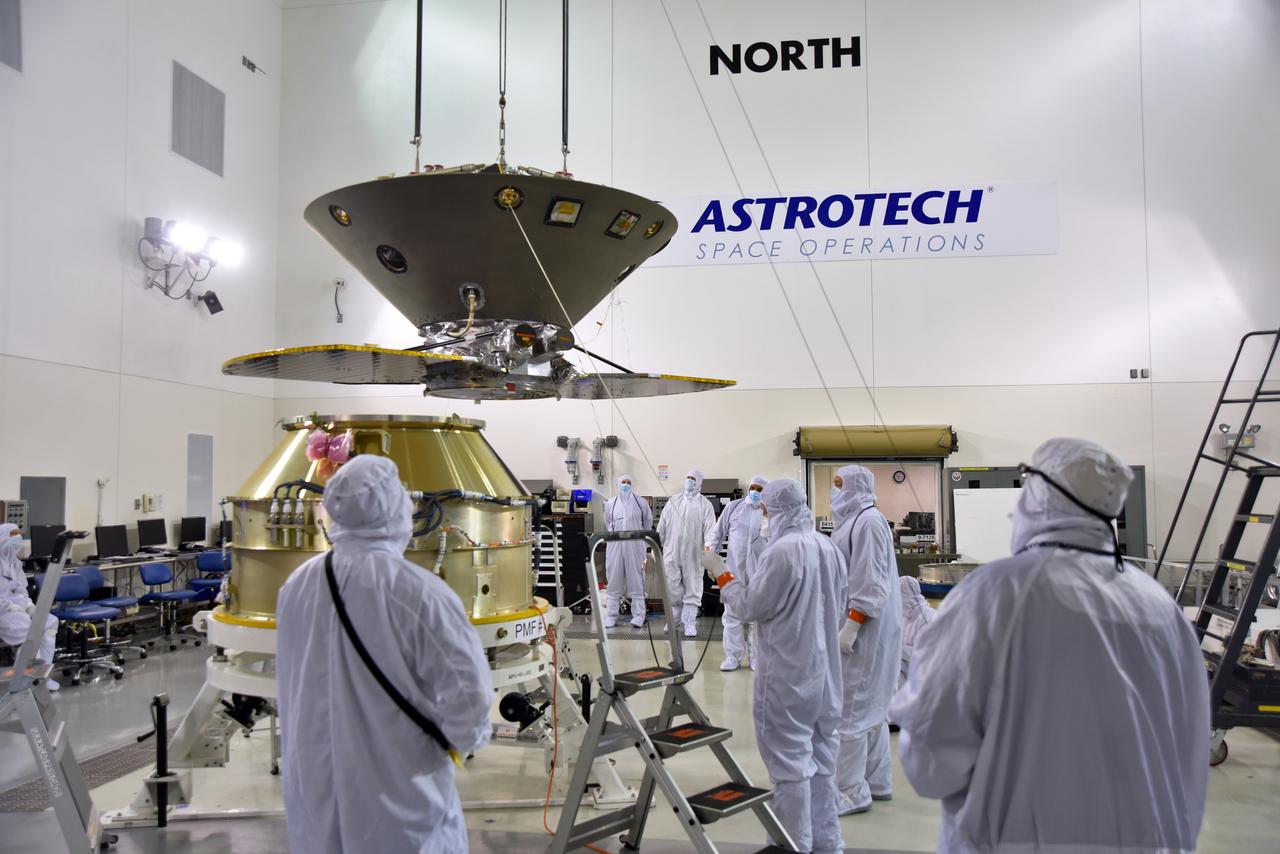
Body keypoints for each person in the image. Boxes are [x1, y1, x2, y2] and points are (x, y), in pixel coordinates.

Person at [891, 438, 1210, 853]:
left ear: (1041, 494)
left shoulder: (995, 594)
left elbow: (932, 759)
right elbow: (1190, 750)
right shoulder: (1159, 605)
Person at [276, 455, 494, 854]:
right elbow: (470, 701)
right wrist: (456, 743)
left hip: (314, 801)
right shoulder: (419, 593)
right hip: (400, 808)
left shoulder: (296, 585)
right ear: (393, 507)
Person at [718, 479, 846, 854]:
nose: (764, 516)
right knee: (822, 761)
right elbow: (839, 604)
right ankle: (827, 844)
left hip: (789, 675)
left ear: (774, 509)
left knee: (790, 766)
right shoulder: (827, 546)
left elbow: (750, 607)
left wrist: (723, 578)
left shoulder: (781, 553)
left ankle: (793, 846)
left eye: (765, 510)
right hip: (826, 674)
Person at [829, 464, 902, 815]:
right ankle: (877, 781)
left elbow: (870, 582)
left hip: (865, 629)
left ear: (855, 486)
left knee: (852, 709)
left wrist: (851, 627)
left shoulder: (868, 521)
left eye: (839, 484)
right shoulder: (855, 521)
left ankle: (850, 792)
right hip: (866, 626)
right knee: (871, 708)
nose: (835, 491)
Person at [705, 475, 768, 670]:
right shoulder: (734, 508)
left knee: (758, 617)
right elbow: (717, 533)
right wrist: (711, 558)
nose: (755, 492)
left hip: (760, 572)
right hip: (734, 569)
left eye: (760, 489)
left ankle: (757, 659)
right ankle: (733, 657)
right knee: (732, 615)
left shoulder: (770, 512)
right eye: (753, 488)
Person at [656, 469, 716, 638]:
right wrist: (656, 545)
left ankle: (689, 622)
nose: (689, 481)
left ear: (699, 483)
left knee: (693, 585)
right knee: (672, 584)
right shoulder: (673, 501)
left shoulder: (705, 505)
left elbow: (711, 531)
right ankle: (675, 617)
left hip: (693, 554)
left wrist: (709, 551)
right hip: (671, 551)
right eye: (688, 478)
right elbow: (662, 526)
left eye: (693, 479)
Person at [0, 523, 59, 691]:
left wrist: (28, 605)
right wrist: (13, 607)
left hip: (18, 610)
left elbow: (21, 591)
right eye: (14, 536)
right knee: (30, 633)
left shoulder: (15, 563)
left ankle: (44, 678)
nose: (18, 540)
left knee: (50, 621)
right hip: (4, 612)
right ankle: (24, 683)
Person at [603, 474, 653, 629]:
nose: (625, 485)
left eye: (628, 482)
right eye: (623, 482)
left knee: (637, 580)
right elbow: (608, 523)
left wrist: (642, 540)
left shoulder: (641, 503)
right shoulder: (610, 503)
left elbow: (648, 522)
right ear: (618, 484)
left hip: (635, 545)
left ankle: (639, 616)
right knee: (613, 580)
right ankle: (611, 616)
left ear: (632, 484)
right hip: (615, 545)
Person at [897, 575, 935, 689]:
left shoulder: (927, 618)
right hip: (910, 672)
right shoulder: (906, 616)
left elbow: (926, 654)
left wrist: (896, 649)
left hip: (926, 677)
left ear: (905, 596)